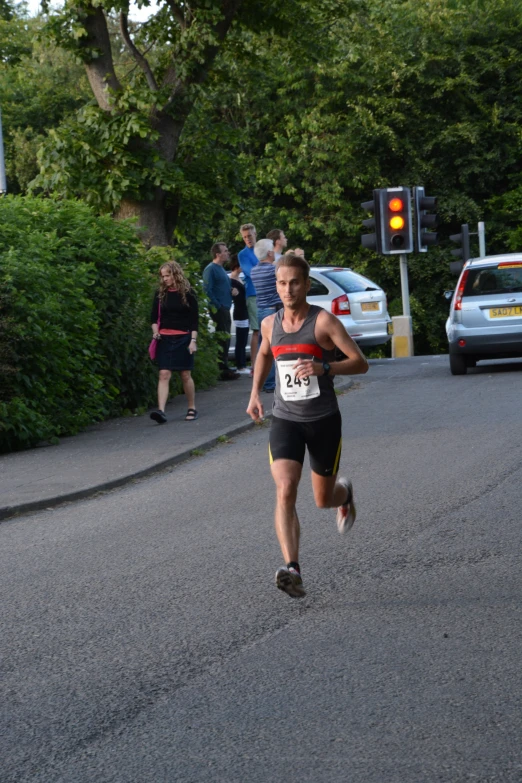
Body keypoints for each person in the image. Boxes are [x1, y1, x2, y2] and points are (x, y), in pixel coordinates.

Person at [246, 252, 369, 599]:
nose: (287, 289)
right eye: (282, 283)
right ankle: (292, 569)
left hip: (323, 421)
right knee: (285, 488)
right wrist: (255, 392)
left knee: (322, 499)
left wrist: (325, 369)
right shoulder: (270, 324)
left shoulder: (323, 323)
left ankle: (345, 495)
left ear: (306, 284)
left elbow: (360, 363)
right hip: (285, 419)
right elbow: (264, 353)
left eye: (294, 283)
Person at [150, 261, 199, 424]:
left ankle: (192, 407)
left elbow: (194, 320)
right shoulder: (160, 294)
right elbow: (153, 317)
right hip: (165, 338)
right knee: (164, 373)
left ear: (175, 274)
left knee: (185, 374)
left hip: (184, 337)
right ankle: (161, 411)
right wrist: (155, 331)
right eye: (163, 276)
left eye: (167, 275)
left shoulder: (188, 293)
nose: (165, 279)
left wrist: (193, 341)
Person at [203, 243, 240, 381]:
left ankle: (224, 367)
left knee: (226, 337)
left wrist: (231, 291)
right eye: (225, 251)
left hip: (225, 306)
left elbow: (222, 287)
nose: (228, 253)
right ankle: (221, 369)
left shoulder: (221, 269)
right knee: (222, 337)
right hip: (219, 309)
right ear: (218, 254)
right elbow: (207, 290)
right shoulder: (210, 269)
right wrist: (217, 306)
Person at [251, 238, 281, 392]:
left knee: (265, 348)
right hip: (274, 311)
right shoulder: (272, 270)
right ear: (270, 252)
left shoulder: (254, 271)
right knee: (276, 347)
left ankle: (265, 382)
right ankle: (271, 383)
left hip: (262, 311)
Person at [238, 223, 260, 371]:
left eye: (250, 236)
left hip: (269, 293)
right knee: (257, 330)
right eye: (245, 237)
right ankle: (254, 365)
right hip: (253, 294)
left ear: (255, 234)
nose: (248, 239)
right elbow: (252, 272)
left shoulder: (264, 249)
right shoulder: (243, 254)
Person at [229, 254, 251, 374]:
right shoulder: (232, 280)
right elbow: (236, 296)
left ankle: (241, 364)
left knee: (243, 339)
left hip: (244, 311)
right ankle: (240, 365)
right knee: (241, 340)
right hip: (240, 312)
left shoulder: (239, 278)